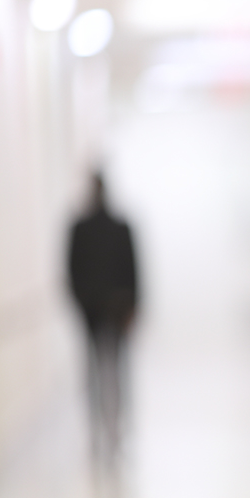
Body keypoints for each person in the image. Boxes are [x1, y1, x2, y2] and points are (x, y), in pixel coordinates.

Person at [67, 171, 139, 465]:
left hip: (108, 311)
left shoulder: (111, 227)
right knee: (102, 374)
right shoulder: (86, 228)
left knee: (111, 373)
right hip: (99, 312)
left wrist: (131, 305)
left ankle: (113, 430)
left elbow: (133, 270)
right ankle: (103, 430)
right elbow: (71, 271)